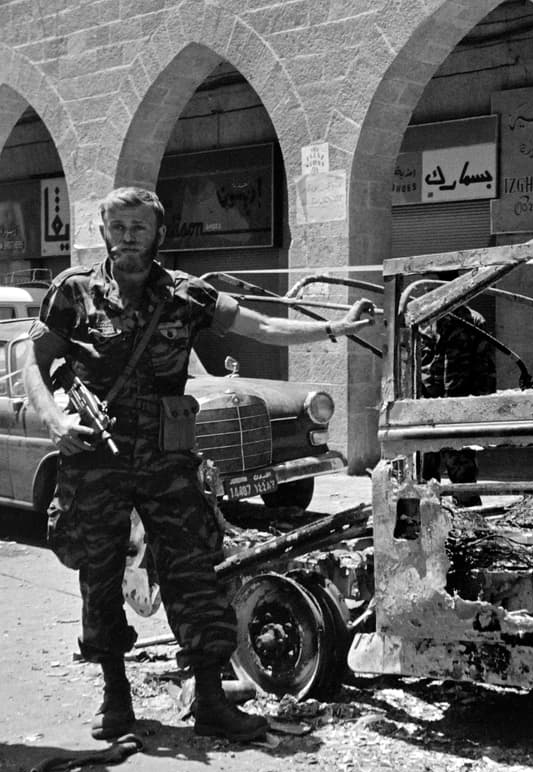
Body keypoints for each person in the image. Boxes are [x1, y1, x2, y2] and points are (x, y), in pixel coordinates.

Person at [22, 186, 376, 743]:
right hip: (96, 459)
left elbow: (261, 327)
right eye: (118, 227)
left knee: (193, 572)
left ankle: (210, 697)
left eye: (139, 227)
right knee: (100, 574)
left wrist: (333, 329)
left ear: (159, 234)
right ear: (103, 232)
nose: (127, 237)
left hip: (167, 460)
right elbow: (33, 358)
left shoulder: (186, 295)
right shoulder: (74, 292)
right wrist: (54, 420)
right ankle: (116, 697)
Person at [418, 305, 496, 507]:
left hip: (459, 410)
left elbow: (485, 368)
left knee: (463, 476)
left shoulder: (474, 321)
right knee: (424, 477)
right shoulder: (421, 320)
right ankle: (427, 518)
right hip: (425, 411)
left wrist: (481, 410)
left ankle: (468, 519)